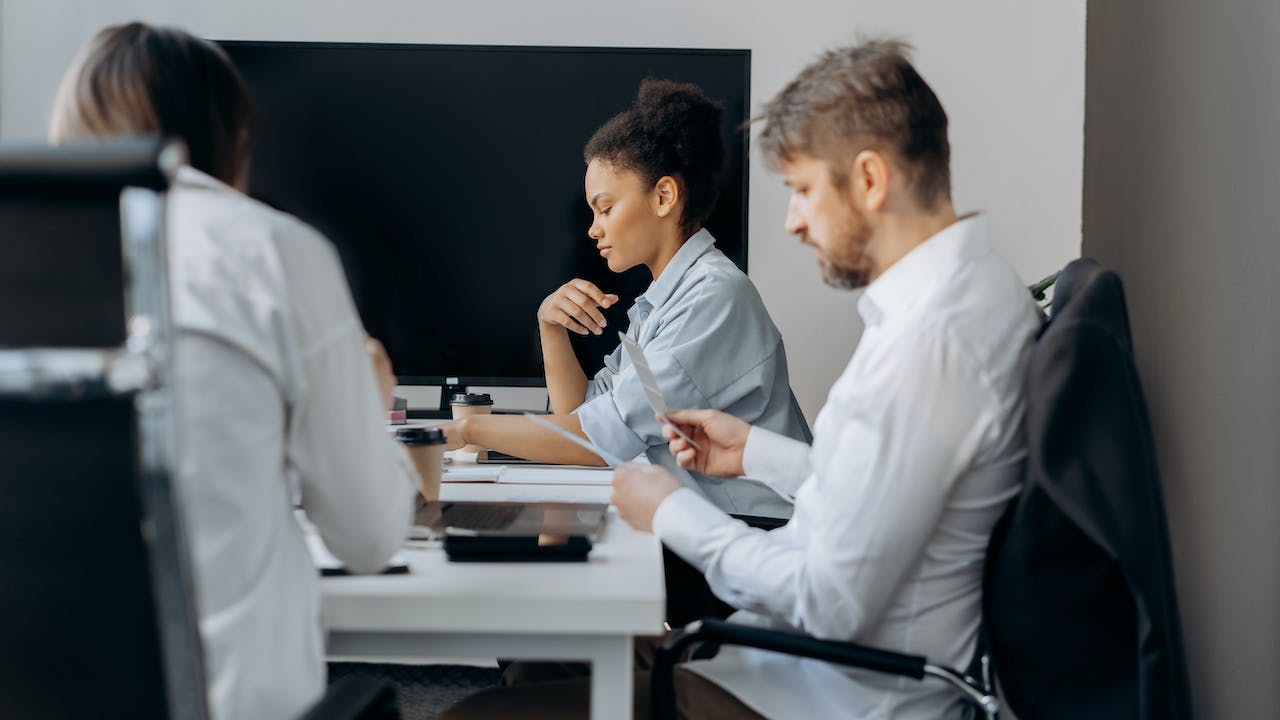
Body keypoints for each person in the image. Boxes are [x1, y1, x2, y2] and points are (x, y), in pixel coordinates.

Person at [448, 40, 1042, 719]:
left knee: (476, 713)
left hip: (821, 689)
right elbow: (874, 488)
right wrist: (754, 452)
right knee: (544, 652)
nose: (792, 220)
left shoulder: (931, 344)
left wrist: (671, 511)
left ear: (871, 179)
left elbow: (831, 597)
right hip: (785, 654)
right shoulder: (963, 297)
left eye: (803, 190)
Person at [51, 23, 424, 720]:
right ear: (233, 140)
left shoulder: (28, 252)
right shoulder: (273, 250)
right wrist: (375, 414)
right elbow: (370, 538)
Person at [440, 78, 810, 519]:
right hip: (709, 522)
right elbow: (582, 416)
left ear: (663, 197)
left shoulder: (712, 297)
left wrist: (465, 429)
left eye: (606, 208)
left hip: (755, 530)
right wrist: (550, 328)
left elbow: (596, 441)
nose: (593, 229)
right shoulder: (663, 300)